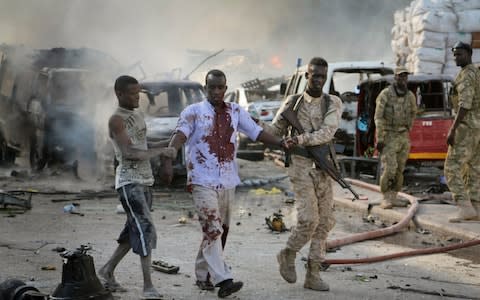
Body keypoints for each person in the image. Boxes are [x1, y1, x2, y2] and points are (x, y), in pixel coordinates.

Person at [163, 69, 288, 298]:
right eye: (212, 87)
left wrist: (281, 143)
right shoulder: (193, 112)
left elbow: (257, 132)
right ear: (205, 88)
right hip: (201, 180)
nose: (217, 91)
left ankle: (203, 276)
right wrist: (169, 158)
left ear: (226, 89)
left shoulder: (236, 111)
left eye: (221, 87)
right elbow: (179, 135)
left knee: (220, 231)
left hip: (228, 180)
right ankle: (224, 280)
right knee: (213, 228)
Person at [262, 57, 343, 291]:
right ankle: (288, 252)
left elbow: (327, 132)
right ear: (306, 76)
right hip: (299, 165)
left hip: (322, 165)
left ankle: (313, 273)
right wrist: (254, 126)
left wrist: (301, 138)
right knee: (309, 218)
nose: (317, 80)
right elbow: (276, 130)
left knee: (325, 221)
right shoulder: (293, 103)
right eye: (314, 75)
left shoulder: (333, 103)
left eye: (322, 76)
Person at [98, 75, 177, 299]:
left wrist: (164, 144)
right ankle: (148, 286)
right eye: (133, 94)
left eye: (138, 93)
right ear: (119, 94)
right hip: (129, 182)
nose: (137, 97)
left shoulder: (137, 114)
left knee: (132, 231)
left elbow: (142, 145)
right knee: (145, 229)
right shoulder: (116, 120)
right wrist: (161, 152)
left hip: (145, 181)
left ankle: (107, 270)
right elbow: (129, 153)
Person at [444, 41, 480, 222]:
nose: (456, 57)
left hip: (466, 127)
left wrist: (453, 128)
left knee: (451, 167)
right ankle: (475, 208)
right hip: (478, 128)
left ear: (469, 54)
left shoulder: (466, 75)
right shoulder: (477, 72)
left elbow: (464, 104)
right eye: (455, 54)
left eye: (459, 54)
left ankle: (464, 207)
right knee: (473, 168)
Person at [374, 66, 417, 209]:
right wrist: (380, 138)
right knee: (390, 168)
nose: (403, 79)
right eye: (400, 76)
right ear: (395, 77)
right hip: (389, 136)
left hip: (403, 137)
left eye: (405, 76)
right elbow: (378, 117)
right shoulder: (385, 94)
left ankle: (394, 196)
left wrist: (407, 128)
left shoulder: (410, 95)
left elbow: (413, 112)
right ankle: (386, 197)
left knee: (400, 169)